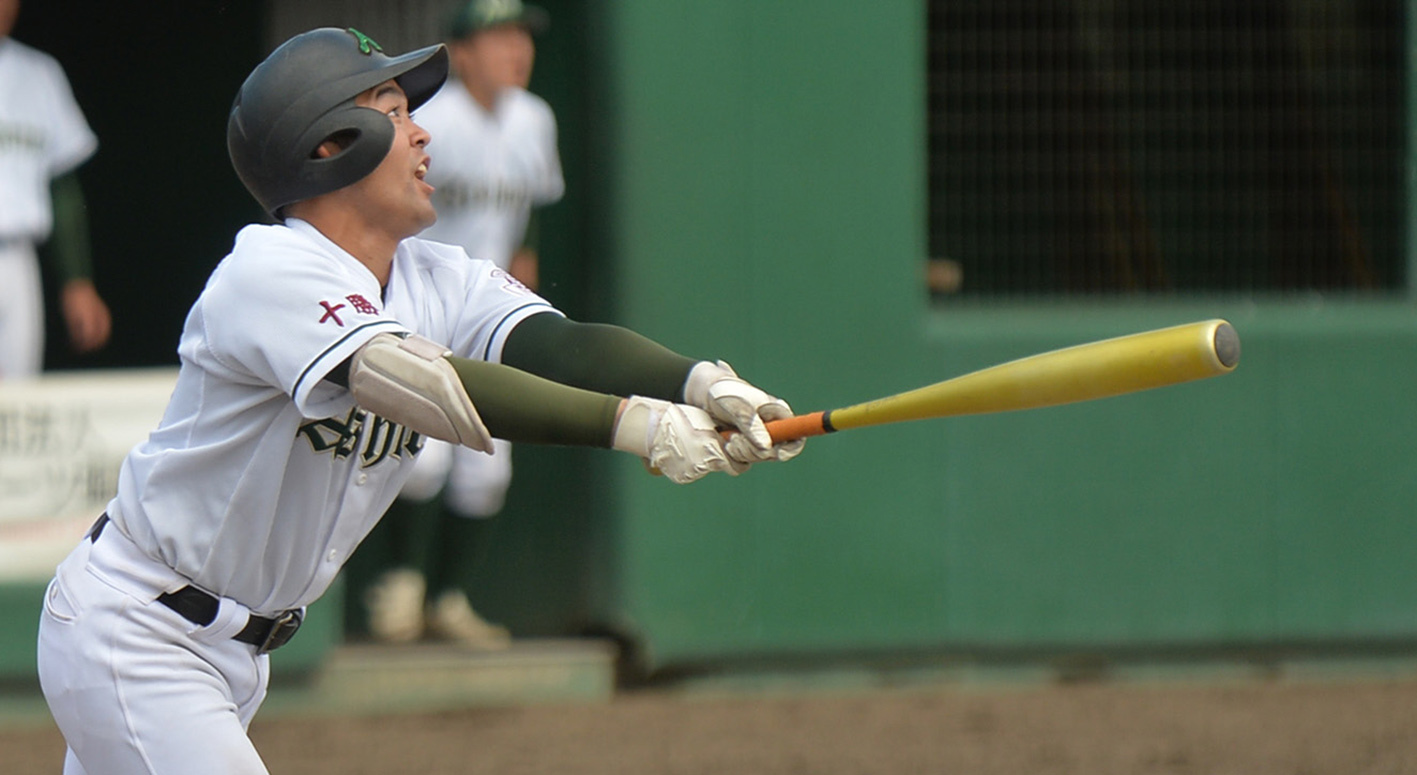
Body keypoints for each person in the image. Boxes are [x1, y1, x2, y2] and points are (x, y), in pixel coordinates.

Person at [35, 27, 802, 775]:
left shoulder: (436, 275)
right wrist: (642, 429)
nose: (423, 135)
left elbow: (559, 343)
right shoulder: (269, 270)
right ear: (327, 144)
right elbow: (419, 381)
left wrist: (704, 384)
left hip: (230, 655)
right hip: (139, 634)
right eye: (394, 112)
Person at [359, 0, 565, 649]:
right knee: (416, 459)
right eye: (499, 37)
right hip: (418, 297)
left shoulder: (535, 119)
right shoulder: (429, 122)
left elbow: (528, 201)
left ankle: (446, 599)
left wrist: (523, 253)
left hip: (485, 306)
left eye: (521, 37)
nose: (517, 50)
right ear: (463, 52)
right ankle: (397, 584)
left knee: (485, 468)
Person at [0, 0, 110, 379]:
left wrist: (77, 280)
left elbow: (62, 186)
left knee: (17, 403)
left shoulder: (39, 73)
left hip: (17, 257)